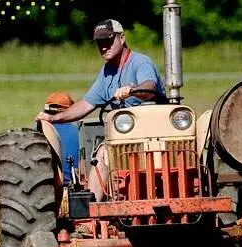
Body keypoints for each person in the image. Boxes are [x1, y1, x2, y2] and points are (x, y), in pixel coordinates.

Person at [35, 19, 165, 200]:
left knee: (105, 151)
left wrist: (132, 90)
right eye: (100, 43)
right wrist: (54, 119)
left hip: (155, 132)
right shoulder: (107, 72)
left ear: (122, 38)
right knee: (101, 155)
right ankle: (92, 211)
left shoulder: (140, 62)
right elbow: (86, 104)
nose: (104, 47)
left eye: (108, 41)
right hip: (124, 137)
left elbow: (150, 88)